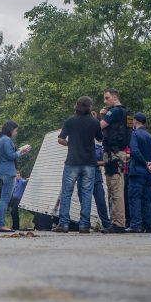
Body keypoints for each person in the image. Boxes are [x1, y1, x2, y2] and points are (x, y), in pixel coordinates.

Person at [54, 96, 103, 233]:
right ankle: (84, 225)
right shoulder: (94, 122)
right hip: (89, 163)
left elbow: (60, 139)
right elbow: (100, 138)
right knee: (87, 194)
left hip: (72, 162)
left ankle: (63, 224)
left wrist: (71, 145)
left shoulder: (70, 121)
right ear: (90, 107)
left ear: (76, 106)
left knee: (67, 193)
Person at [99, 88, 130, 233]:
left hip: (113, 154)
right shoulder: (127, 113)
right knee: (116, 187)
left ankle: (118, 223)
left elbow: (100, 127)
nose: (105, 101)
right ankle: (118, 221)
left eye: (107, 98)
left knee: (114, 188)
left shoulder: (115, 112)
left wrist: (102, 115)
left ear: (115, 97)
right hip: (120, 152)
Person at [0, 121, 31, 232]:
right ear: (11, 130)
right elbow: (10, 156)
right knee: (5, 200)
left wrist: (21, 152)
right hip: (8, 172)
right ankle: (1, 225)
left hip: (3, 171)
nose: (16, 133)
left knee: (3, 199)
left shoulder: (1, 140)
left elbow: (8, 154)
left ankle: (0, 224)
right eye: (15, 131)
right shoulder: (7, 140)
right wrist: (21, 151)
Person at [126, 112, 151, 233]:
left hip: (137, 171)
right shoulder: (150, 137)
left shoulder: (135, 134)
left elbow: (134, 151)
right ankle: (149, 225)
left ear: (136, 121)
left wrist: (144, 163)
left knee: (135, 197)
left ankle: (136, 225)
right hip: (148, 173)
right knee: (146, 198)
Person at [92, 142, 112, 231]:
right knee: (85, 201)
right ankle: (84, 223)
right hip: (83, 177)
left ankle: (106, 223)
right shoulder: (80, 145)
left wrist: (94, 162)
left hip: (96, 177)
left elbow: (105, 161)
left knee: (101, 201)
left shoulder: (99, 148)